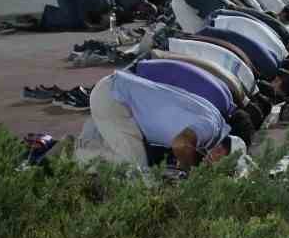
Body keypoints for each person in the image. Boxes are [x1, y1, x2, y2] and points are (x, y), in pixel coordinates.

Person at [81, 70, 234, 172]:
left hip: (119, 90)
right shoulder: (210, 129)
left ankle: (88, 143)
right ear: (221, 151)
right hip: (114, 99)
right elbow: (180, 144)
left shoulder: (214, 116)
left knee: (134, 157)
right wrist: (188, 172)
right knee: (136, 171)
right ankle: (70, 154)